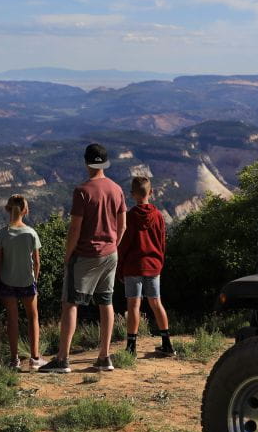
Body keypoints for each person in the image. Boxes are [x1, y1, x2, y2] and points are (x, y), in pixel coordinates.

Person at [40, 143, 126, 373]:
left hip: (86, 254)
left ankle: (62, 359)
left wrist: (68, 255)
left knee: (70, 303)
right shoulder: (117, 189)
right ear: (105, 163)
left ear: (86, 162)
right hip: (110, 254)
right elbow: (122, 226)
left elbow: (74, 229)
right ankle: (104, 357)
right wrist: (113, 246)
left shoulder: (82, 191)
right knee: (106, 302)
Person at [118, 176, 175, 356]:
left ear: (132, 194)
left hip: (133, 266)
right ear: (151, 192)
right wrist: (160, 262)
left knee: (133, 305)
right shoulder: (158, 216)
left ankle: (131, 348)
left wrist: (120, 268)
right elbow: (162, 242)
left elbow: (124, 245)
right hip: (153, 265)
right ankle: (167, 344)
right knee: (156, 303)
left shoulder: (130, 217)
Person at [0, 194, 47, 372]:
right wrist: (35, 280)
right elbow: (37, 262)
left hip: (7, 281)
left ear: (7, 210)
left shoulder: (1, 234)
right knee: (33, 318)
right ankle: (35, 358)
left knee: (12, 319)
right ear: (25, 210)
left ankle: (14, 359)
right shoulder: (31, 233)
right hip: (27, 281)